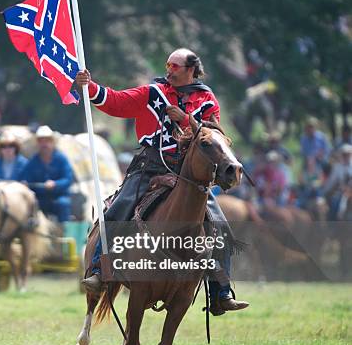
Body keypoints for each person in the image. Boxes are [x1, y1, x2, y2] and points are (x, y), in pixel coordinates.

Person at [76, 48, 248, 315]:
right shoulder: (152, 93)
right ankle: (99, 271)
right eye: (167, 64)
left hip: (189, 173)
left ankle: (220, 291)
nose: (168, 69)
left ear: (191, 69)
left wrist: (186, 119)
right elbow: (116, 102)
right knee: (115, 213)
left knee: (221, 228)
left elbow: (215, 134)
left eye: (174, 65)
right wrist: (89, 87)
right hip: (149, 167)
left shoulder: (207, 98)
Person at [19, 125, 73, 223]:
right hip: (40, 198)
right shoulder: (33, 161)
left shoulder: (61, 159)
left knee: (63, 204)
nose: (44, 144)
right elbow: (26, 178)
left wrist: (55, 184)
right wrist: (25, 184)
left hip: (59, 196)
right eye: (41, 141)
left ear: (52, 142)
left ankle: (64, 233)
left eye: (47, 140)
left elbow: (68, 179)